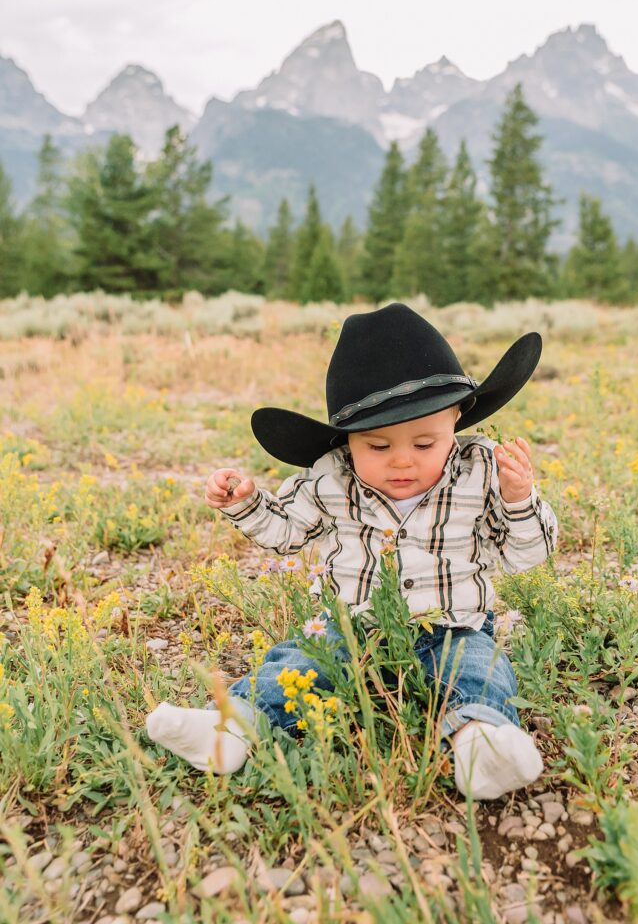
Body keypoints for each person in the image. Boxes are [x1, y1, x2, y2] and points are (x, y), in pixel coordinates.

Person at [146, 303, 558, 800]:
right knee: (298, 670)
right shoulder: (331, 475)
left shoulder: (482, 470)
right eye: (378, 448)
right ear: (347, 441)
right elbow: (287, 533)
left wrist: (519, 502)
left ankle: (479, 743)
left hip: (453, 626)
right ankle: (230, 730)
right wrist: (246, 503)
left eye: (425, 444)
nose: (402, 460)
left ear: (457, 421)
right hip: (350, 627)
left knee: (478, 671)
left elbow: (525, 553)